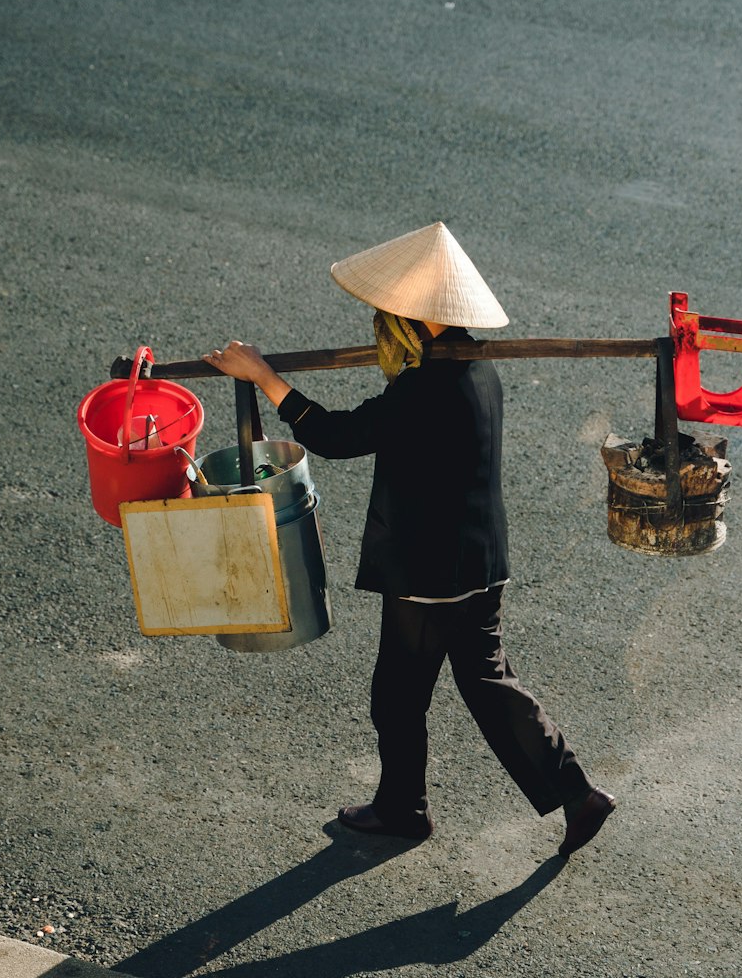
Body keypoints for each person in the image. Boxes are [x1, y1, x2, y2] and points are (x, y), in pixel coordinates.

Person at [202, 221, 615, 855]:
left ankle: (404, 809)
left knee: (398, 696)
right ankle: (575, 793)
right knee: (486, 682)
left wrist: (261, 374)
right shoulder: (477, 365)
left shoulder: (424, 389)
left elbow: (339, 437)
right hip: (480, 558)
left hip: (430, 572)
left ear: (416, 319)